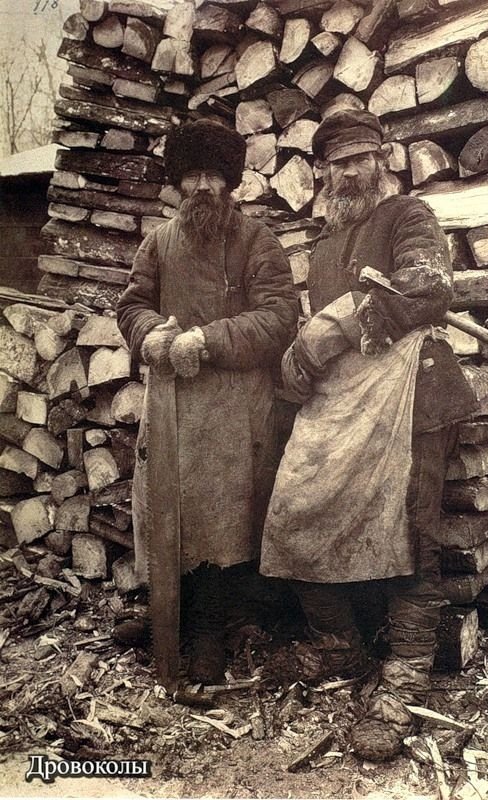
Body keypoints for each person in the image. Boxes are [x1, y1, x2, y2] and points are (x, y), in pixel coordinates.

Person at [260, 110, 476, 761]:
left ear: (383, 160)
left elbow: (427, 286)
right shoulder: (325, 244)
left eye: (360, 159)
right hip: (344, 408)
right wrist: (299, 355)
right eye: (338, 163)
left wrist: (335, 325)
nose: (350, 172)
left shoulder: (408, 216)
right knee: (296, 512)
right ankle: (339, 650)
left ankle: (403, 681)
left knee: (411, 530)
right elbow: (317, 337)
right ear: (322, 172)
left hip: (413, 400)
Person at [115, 119, 298, 684]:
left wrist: (208, 340)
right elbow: (131, 305)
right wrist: (149, 334)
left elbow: (279, 316)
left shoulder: (256, 241)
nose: (201, 187)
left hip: (233, 408)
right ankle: (166, 614)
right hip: (169, 405)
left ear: (230, 181)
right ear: (177, 182)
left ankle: (209, 631)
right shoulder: (158, 242)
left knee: (221, 522)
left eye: (213, 175)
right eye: (191, 175)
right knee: (164, 508)